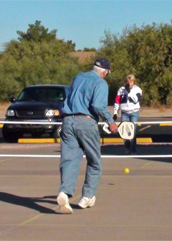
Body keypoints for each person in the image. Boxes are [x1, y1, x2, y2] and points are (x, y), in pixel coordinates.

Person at [57, 58, 118, 214]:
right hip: (86, 121)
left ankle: (65, 192)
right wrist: (110, 121)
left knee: (69, 160)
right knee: (94, 161)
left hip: (67, 121)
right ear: (105, 72)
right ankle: (87, 196)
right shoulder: (101, 83)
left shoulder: (78, 77)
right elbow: (98, 105)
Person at [113, 74, 142, 154]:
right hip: (124, 113)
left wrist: (129, 92)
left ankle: (133, 150)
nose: (130, 84)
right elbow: (117, 101)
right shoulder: (121, 90)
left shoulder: (138, 90)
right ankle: (127, 147)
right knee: (124, 131)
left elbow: (136, 100)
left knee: (132, 131)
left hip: (134, 112)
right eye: (128, 82)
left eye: (131, 82)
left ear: (134, 82)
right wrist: (115, 113)